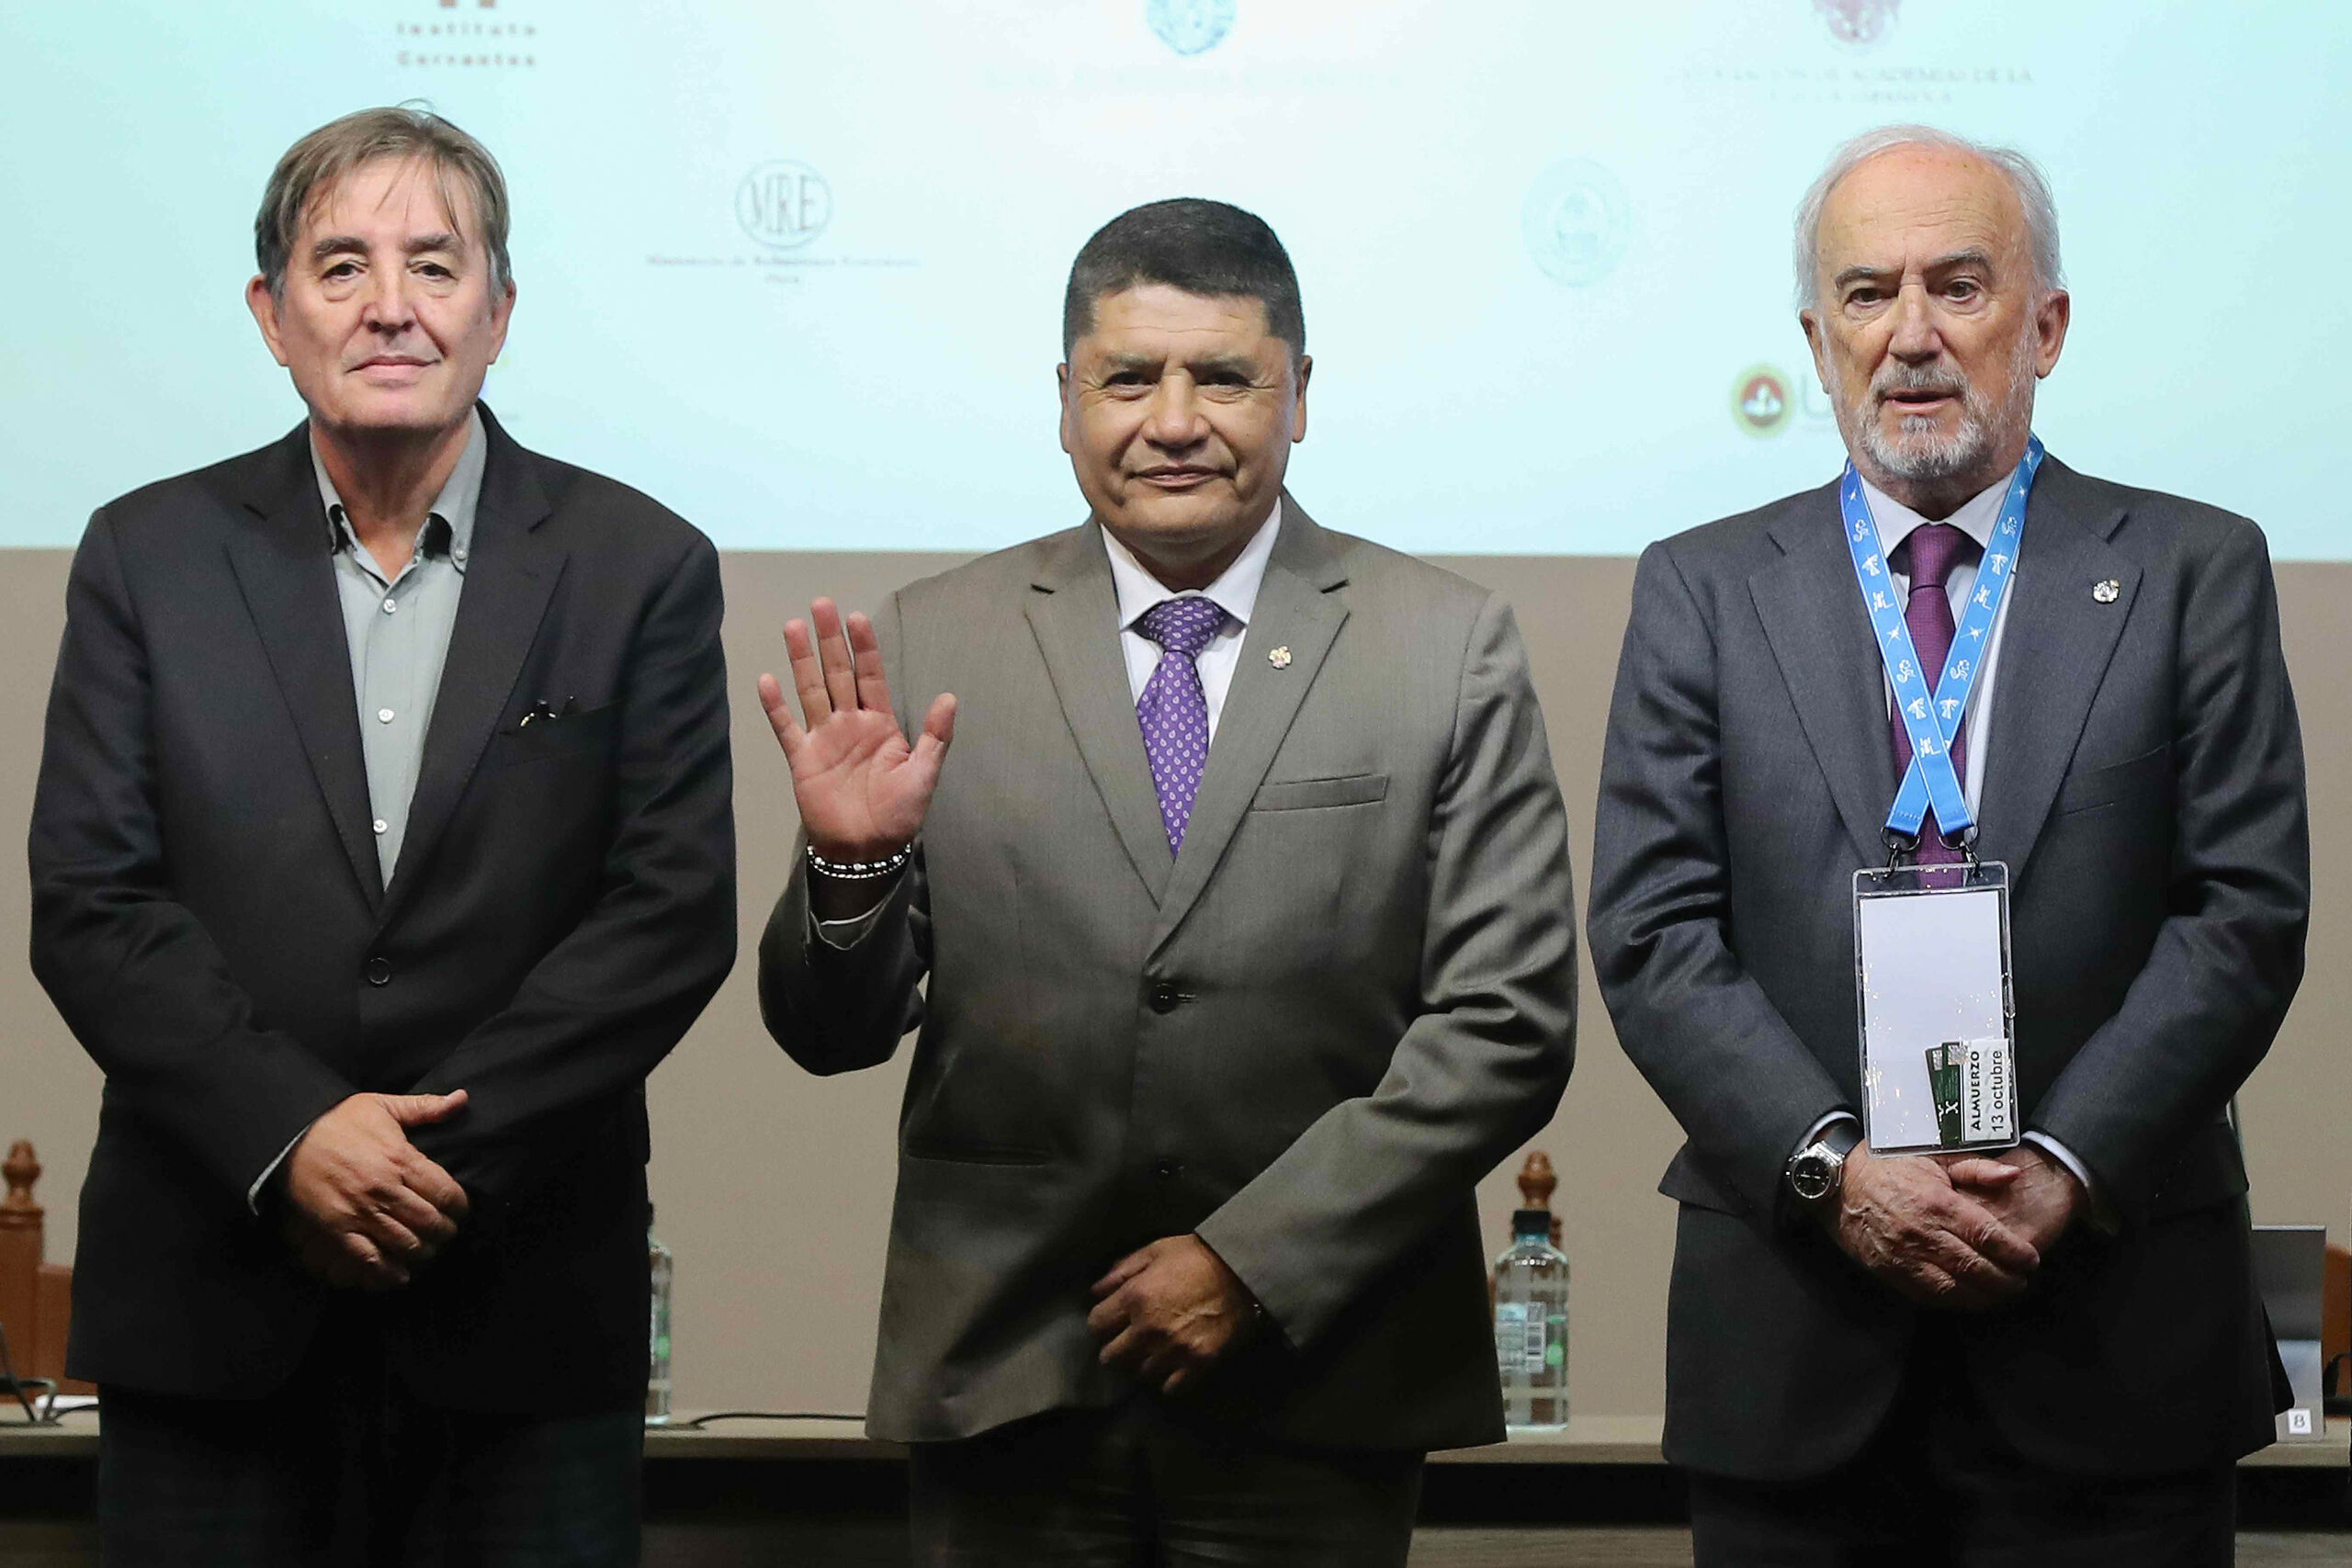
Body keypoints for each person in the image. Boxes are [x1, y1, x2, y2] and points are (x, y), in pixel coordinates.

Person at [755, 197, 1577, 1565]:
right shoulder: (934, 638)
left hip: (1322, 1375)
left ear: (1299, 394)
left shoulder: (1446, 647)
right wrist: (852, 865)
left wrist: (1254, 1261)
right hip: (1009, 1371)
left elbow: (1507, 1026)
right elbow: (827, 1033)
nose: (1175, 421)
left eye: (1225, 379)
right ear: (1065, 400)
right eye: (1129, 378)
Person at [1587, 123, 2308, 1563]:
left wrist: (2065, 1165)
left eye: (1959, 285)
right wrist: (1834, 1174)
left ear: (2045, 326)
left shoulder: (2192, 568)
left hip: (2114, 1339)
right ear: (1817, 340)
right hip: (1795, 1334)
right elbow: (1654, 933)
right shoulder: (1702, 589)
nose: (1910, 334)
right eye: (1866, 293)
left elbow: (2241, 916)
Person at [28, 107, 735, 1563]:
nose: (391, 306)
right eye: (341, 265)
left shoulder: (639, 564)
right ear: (271, 314)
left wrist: (423, 1167)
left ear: (500, 311)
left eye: (434, 263)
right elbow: (94, 901)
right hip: (213, 1308)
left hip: (522, 1316)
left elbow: (667, 914)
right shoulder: (146, 556)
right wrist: (292, 1135)